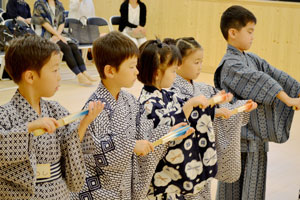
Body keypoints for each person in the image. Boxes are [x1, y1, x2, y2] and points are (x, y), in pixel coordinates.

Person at [70, 31, 194, 200]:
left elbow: (145, 132)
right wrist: (131, 146)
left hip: (124, 187)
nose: (137, 72)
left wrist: (169, 133)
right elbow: (95, 151)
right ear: (110, 71)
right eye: (131, 67)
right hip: (99, 191)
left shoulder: (129, 100)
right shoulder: (96, 107)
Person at [0, 35, 104, 199]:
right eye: (55, 70)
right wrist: (30, 127)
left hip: (58, 192)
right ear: (30, 76)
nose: (59, 77)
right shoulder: (4, 114)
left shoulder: (56, 110)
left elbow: (70, 146)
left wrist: (84, 123)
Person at [214, 5, 300, 200]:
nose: (253, 36)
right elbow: (260, 80)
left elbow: (275, 73)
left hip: (255, 137)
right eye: (249, 31)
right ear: (233, 33)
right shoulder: (231, 63)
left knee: (253, 188)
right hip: (239, 138)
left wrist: (297, 90)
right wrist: (286, 99)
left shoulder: (251, 58)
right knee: (233, 188)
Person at [137, 40, 236, 199]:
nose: (175, 75)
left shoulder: (166, 94)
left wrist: (214, 105)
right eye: (173, 71)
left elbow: (190, 111)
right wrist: (190, 106)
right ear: (157, 73)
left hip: (171, 182)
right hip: (161, 179)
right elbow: (167, 129)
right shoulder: (148, 103)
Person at [163, 37, 257, 199]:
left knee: (202, 190)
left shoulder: (203, 88)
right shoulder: (170, 90)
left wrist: (240, 107)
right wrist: (213, 112)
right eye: (196, 62)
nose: (200, 67)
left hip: (201, 152)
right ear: (179, 63)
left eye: (201, 62)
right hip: (181, 156)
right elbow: (176, 119)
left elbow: (223, 108)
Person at [32, 0, 96, 86]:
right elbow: (43, 22)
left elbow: (62, 22)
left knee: (73, 46)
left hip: (58, 33)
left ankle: (84, 72)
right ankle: (79, 75)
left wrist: (58, 35)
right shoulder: (39, 3)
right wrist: (57, 35)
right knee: (65, 47)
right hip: (45, 35)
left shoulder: (59, 4)